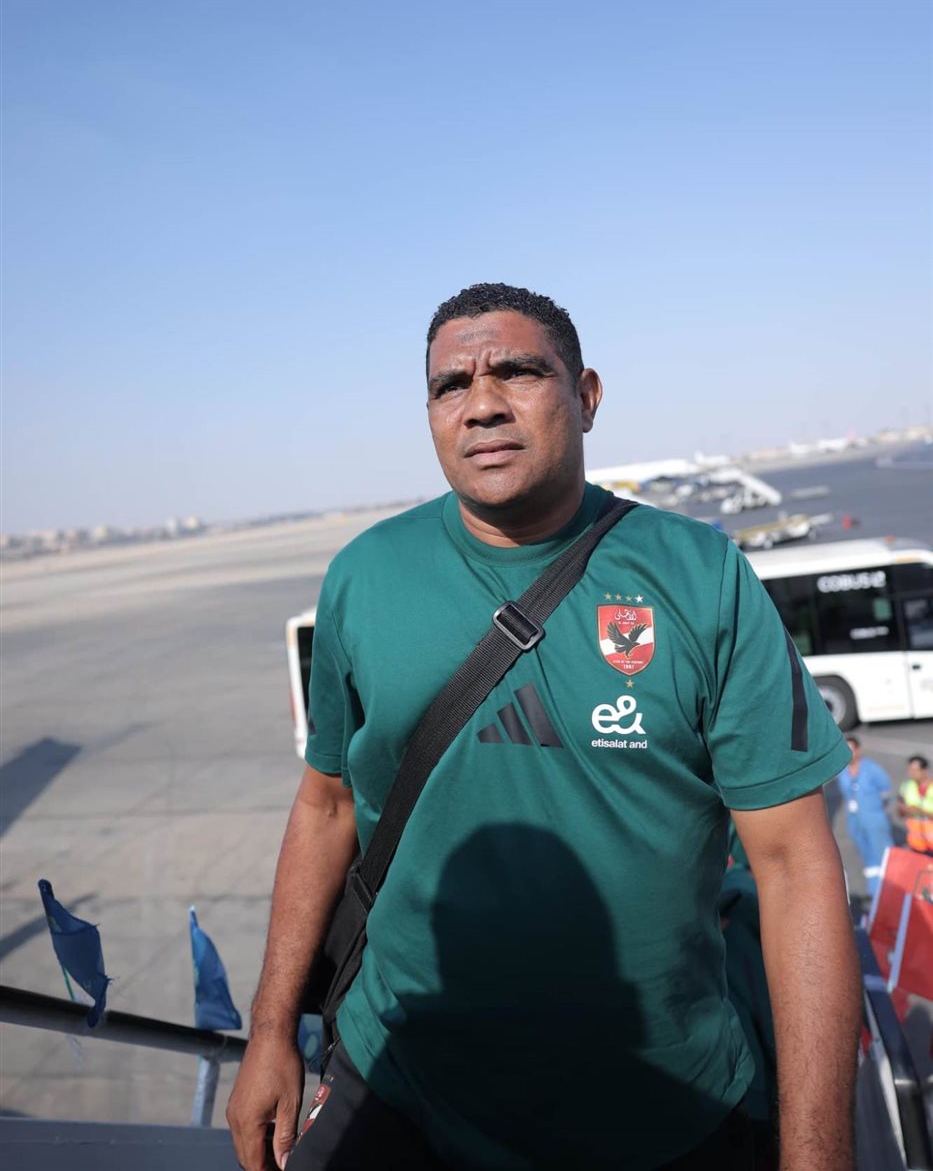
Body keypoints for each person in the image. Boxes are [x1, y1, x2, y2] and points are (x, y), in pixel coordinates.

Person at [227, 283, 861, 1171]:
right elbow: (326, 806)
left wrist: (819, 1155)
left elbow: (794, 863)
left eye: (518, 372)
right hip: (402, 1091)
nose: (481, 403)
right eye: (451, 386)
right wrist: (269, 1032)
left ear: (586, 396)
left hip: (660, 1111)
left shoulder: (700, 575)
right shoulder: (363, 579)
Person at [835, 735, 895, 897]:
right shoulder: (843, 772)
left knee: (883, 855)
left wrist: (878, 810)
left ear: (859, 750)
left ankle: (891, 892)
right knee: (867, 856)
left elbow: (886, 792)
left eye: (851, 750)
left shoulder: (872, 769)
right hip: (855, 820)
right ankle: (874, 891)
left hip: (874, 818)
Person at [898, 754, 933, 855]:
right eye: (910, 770)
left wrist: (921, 812)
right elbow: (900, 814)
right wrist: (903, 809)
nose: (912, 773)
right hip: (915, 844)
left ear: (924, 770)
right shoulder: (906, 787)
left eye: (915, 770)